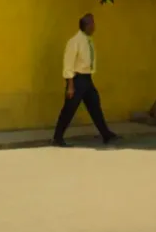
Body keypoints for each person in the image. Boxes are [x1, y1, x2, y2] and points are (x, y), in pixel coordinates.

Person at [51, 13, 119, 147]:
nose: (94, 26)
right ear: (86, 25)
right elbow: (68, 63)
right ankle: (57, 137)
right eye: (92, 24)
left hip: (87, 79)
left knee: (95, 106)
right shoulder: (75, 41)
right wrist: (70, 85)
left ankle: (106, 134)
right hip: (76, 79)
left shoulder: (88, 40)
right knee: (69, 109)